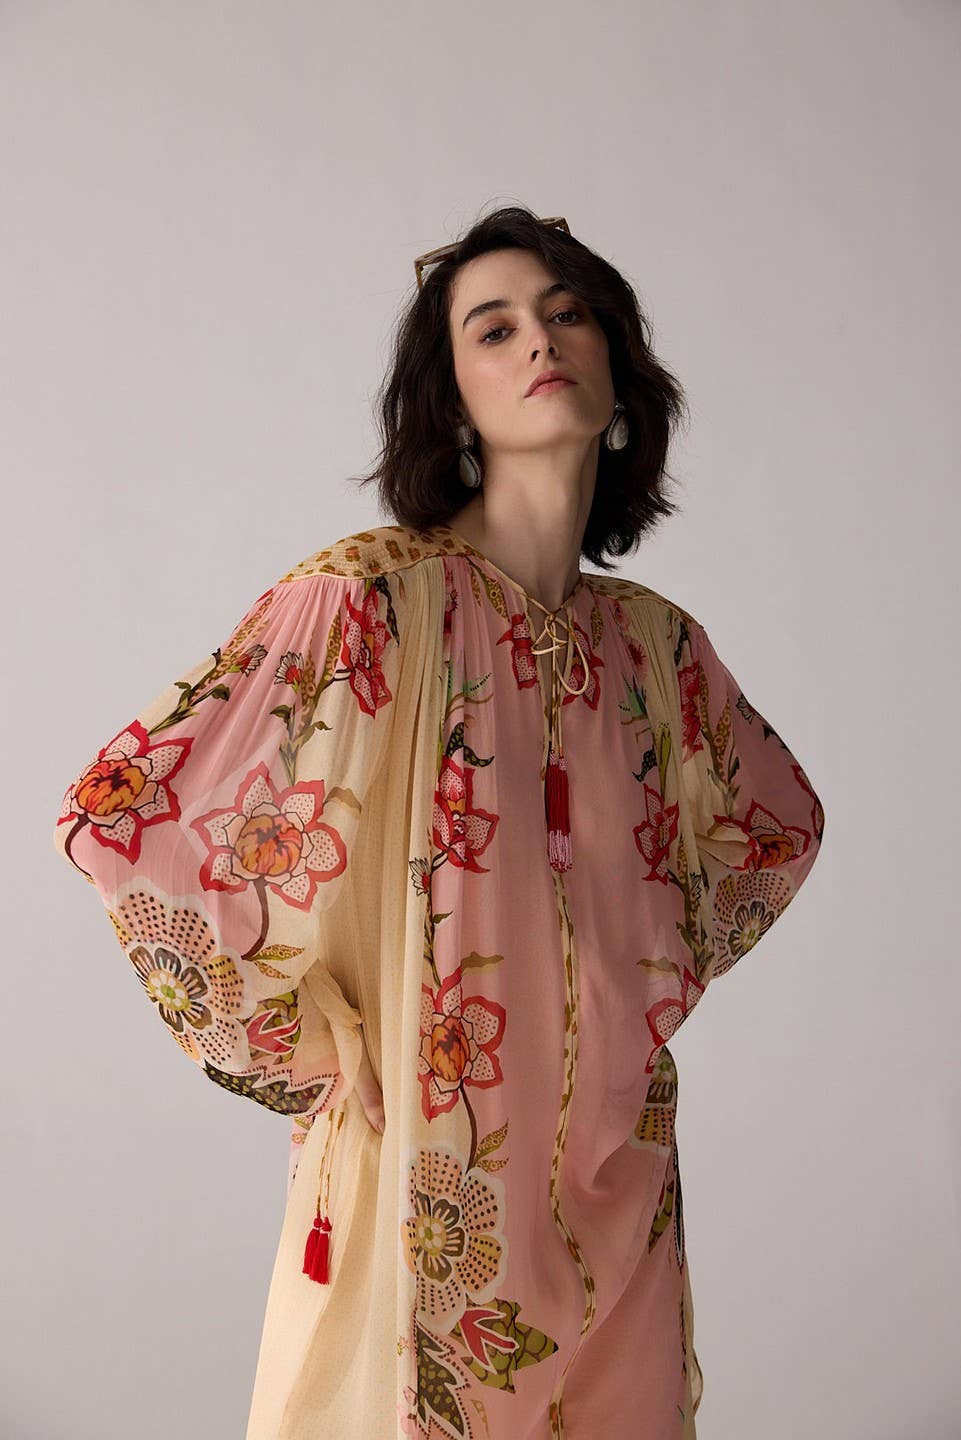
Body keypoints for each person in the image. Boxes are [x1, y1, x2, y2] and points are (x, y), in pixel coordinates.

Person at [53, 206, 825, 1439]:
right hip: (427, 1175)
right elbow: (123, 815)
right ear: (453, 399)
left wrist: (624, 995)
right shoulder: (369, 602)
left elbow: (773, 828)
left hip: (621, 1176)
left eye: (567, 314)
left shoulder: (658, 651)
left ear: (617, 370)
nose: (541, 341)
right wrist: (311, 1025)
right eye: (494, 327)